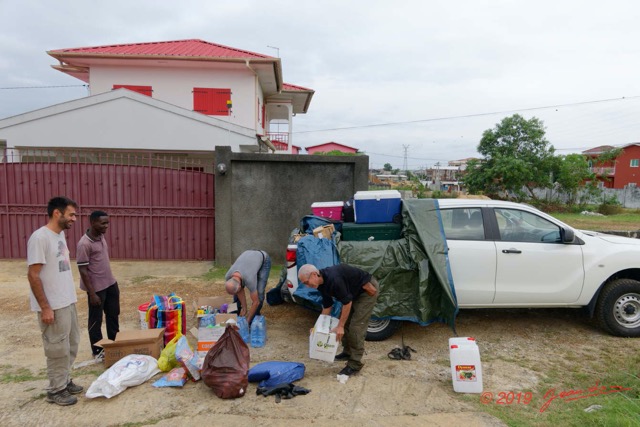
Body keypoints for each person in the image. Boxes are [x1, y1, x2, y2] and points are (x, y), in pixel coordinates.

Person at [27, 196, 83, 406]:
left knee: (72, 343)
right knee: (56, 349)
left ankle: (64, 380)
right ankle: (55, 390)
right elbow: (33, 275)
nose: (74, 219)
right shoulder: (40, 238)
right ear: (57, 213)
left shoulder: (59, 236)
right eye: (71, 214)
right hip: (52, 306)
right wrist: (45, 307)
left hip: (66, 301)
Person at [298, 263, 379, 376]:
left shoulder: (334, 279)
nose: (307, 286)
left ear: (314, 274)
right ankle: (347, 352)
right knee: (344, 325)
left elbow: (347, 303)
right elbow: (327, 306)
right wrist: (316, 327)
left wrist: (340, 326)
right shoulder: (321, 284)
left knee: (355, 328)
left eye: (306, 282)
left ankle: (355, 364)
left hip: (366, 292)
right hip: (353, 293)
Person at [76, 210, 119, 359]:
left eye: (107, 222)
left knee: (113, 315)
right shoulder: (84, 243)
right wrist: (92, 293)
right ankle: (98, 351)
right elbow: (82, 269)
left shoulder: (100, 236)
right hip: (96, 289)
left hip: (110, 283)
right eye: (103, 223)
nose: (106, 226)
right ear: (93, 222)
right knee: (96, 320)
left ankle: (115, 345)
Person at [224, 250, 271, 325]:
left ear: (240, 286)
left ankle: (254, 317)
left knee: (260, 293)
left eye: (239, 289)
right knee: (236, 294)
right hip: (248, 257)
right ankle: (236, 313)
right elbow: (239, 291)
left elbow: (256, 302)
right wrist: (244, 309)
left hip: (263, 260)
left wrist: (248, 320)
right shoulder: (228, 276)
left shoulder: (249, 279)